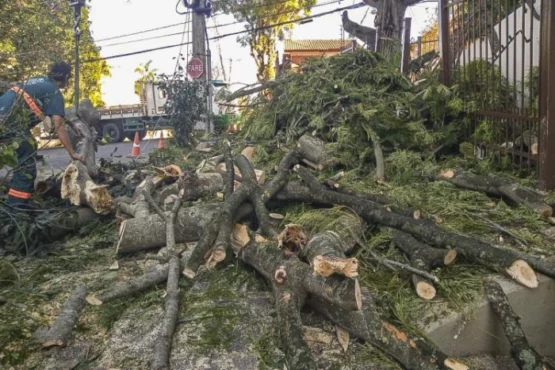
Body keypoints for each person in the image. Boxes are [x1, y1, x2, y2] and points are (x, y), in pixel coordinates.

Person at [0, 61, 84, 207]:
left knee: (19, 158)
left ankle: (14, 198)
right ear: (65, 77)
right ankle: (16, 207)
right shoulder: (54, 92)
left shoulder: (39, 81)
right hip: (12, 124)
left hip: (4, 117)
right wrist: (73, 153)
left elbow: (56, 114)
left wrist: (72, 125)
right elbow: (58, 126)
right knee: (26, 164)